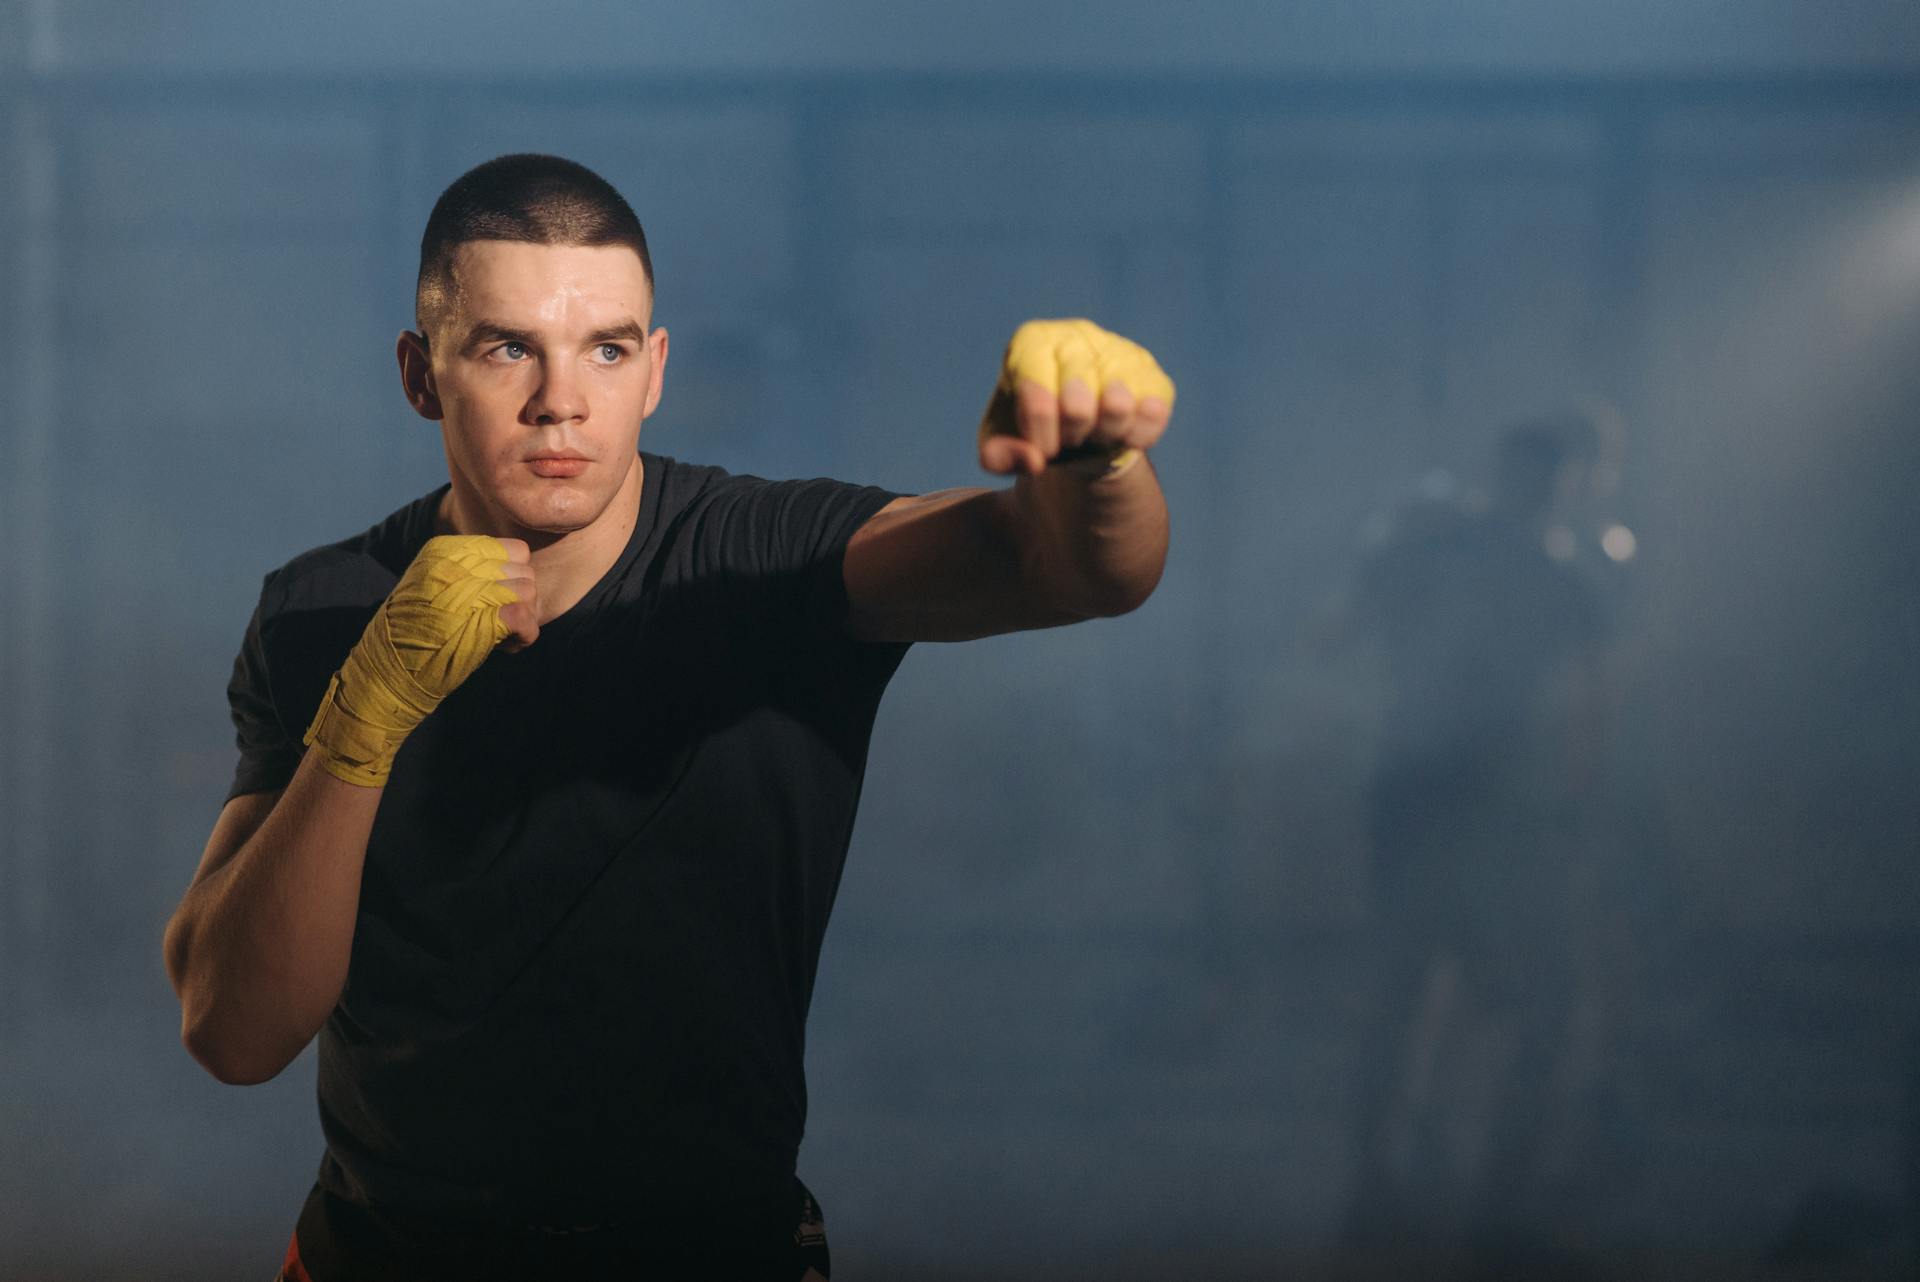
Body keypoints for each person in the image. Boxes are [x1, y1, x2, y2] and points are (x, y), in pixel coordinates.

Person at [159, 153, 1176, 1281]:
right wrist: (366, 717)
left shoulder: (767, 564)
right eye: (508, 348)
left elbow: (1064, 568)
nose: (562, 399)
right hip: (383, 1251)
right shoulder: (322, 609)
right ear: (421, 372)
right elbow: (234, 1030)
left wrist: (1098, 466)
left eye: (605, 348)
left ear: (653, 371)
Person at [1339, 416, 1609, 1256]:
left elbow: (1363, 622)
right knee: (1512, 997)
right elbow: (1582, 703)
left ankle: (1398, 1184)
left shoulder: (1458, 562)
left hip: (1438, 800)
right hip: (1468, 806)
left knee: (1417, 993)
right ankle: (1481, 1194)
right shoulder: (1543, 578)